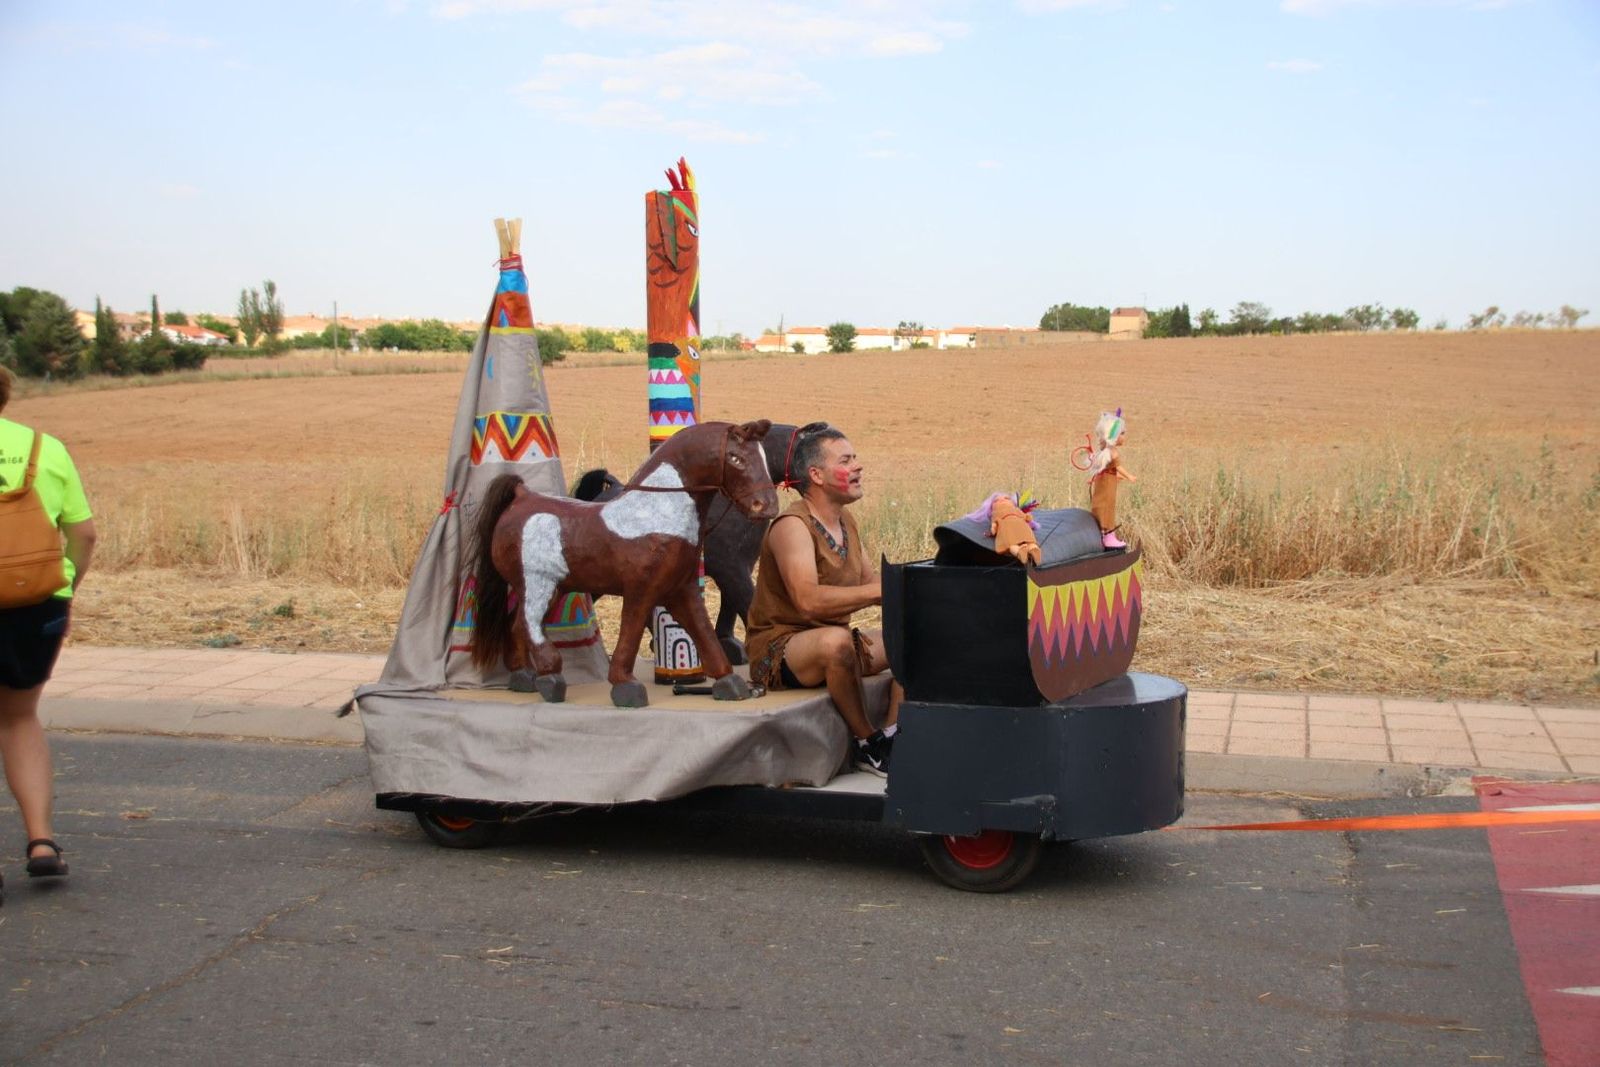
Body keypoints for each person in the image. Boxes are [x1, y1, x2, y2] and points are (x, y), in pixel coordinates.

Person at [746, 424, 901, 775]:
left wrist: (915, 591)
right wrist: (881, 591)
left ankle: (893, 734)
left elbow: (868, 582)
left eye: (855, 458)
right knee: (836, 642)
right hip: (779, 648)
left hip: (838, 640)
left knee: (914, 634)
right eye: (846, 460)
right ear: (816, 474)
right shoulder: (791, 526)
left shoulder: (845, 520)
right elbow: (808, 602)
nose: (858, 466)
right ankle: (867, 743)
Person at [0, 367, 95, 896]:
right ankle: (41, 843)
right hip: (33, 603)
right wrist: (65, 586)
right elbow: (84, 533)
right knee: (18, 719)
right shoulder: (43, 447)